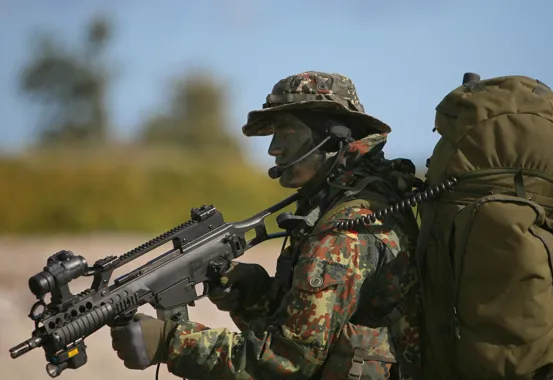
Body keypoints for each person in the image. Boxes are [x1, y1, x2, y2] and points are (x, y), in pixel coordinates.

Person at [110, 71, 422, 379]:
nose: (272, 149)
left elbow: (287, 360)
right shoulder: (362, 199)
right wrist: (254, 292)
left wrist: (171, 342)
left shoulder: (345, 232)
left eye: (286, 132)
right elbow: (316, 325)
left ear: (334, 136)